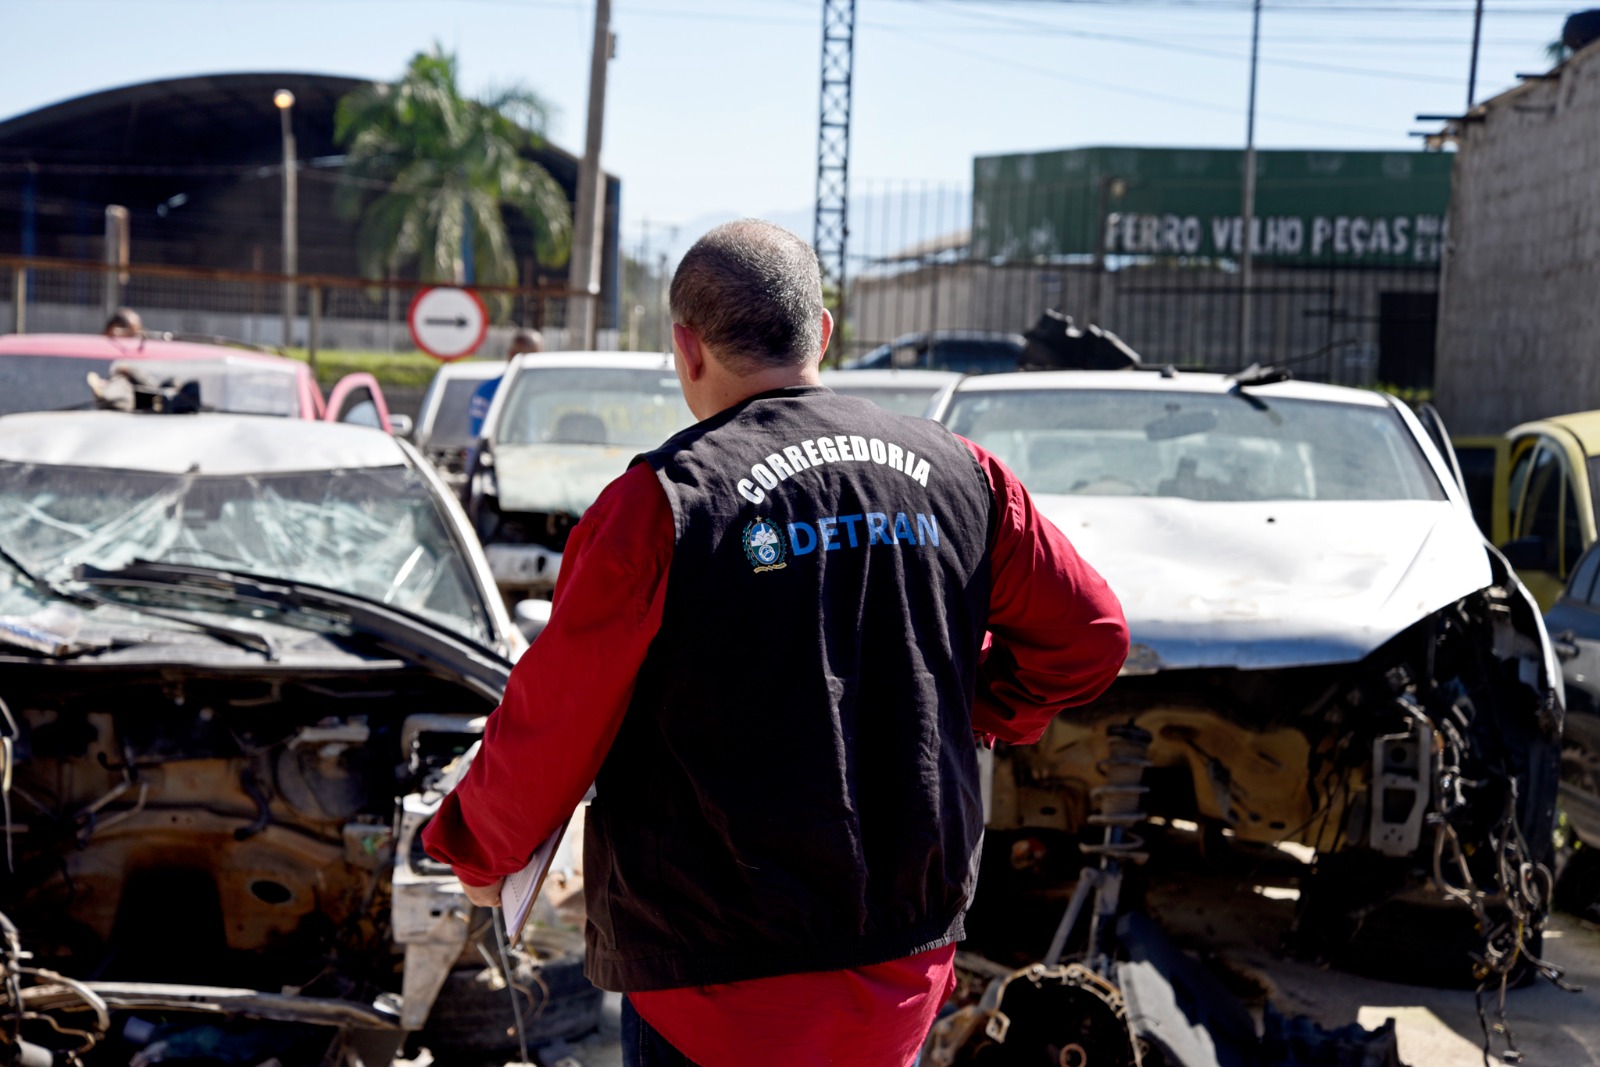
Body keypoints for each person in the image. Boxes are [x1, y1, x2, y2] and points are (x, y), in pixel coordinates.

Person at [422, 220, 1128, 1066]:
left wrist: (473, 848)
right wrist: (972, 702)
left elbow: (555, 718)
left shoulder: (660, 503)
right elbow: (1090, 636)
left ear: (686, 350)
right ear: (822, 332)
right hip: (904, 960)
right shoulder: (964, 474)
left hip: (716, 978)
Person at [465, 327, 542, 439]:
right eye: (527, 357)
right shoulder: (489, 391)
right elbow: (479, 436)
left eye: (536, 357)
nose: (532, 363)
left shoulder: (545, 389)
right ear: (511, 355)